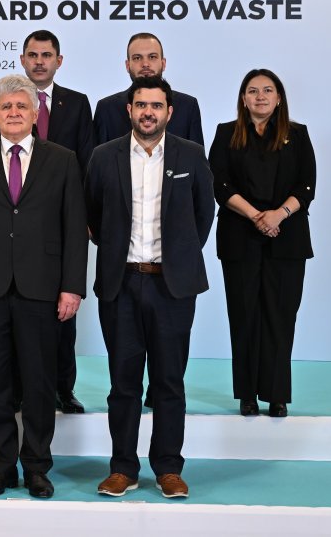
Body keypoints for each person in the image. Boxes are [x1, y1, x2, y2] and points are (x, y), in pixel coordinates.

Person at [0, 74, 88, 499]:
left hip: (42, 290)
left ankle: (38, 468)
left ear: (35, 113)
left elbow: (73, 230)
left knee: (41, 383)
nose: (13, 113)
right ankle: (2, 467)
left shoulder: (62, 160)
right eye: (6, 107)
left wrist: (72, 287)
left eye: (21, 107)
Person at [86, 76, 214, 500]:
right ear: (129, 109)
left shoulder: (191, 155)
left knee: (169, 382)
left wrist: (175, 256)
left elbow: (202, 216)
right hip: (121, 283)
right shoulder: (104, 157)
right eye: (141, 104)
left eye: (156, 106)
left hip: (172, 287)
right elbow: (94, 216)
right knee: (123, 383)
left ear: (169, 112)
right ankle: (122, 467)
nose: (148, 112)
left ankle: (169, 468)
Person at [209, 68, 315, 419]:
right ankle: (247, 395)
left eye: (268, 90)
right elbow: (219, 185)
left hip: (287, 240)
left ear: (279, 97)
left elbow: (307, 186)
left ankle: (277, 395)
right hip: (240, 239)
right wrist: (257, 215)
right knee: (244, 317)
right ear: (243, 98)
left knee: (281, 317)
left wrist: (278, 215)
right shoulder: (227, 134)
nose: (260, 96)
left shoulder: (297, 136)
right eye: (252, 91)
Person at [19, 29, 95, 414]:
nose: (39, 61)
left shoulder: (77, 104)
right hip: (18, 225)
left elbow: (87, 162)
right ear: (22, 60)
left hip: (64, 223)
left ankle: (64, 389)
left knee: (64, 311)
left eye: (46, 55)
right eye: (32, 54)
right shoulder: (7, 103)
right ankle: (21, 390)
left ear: (58, 61)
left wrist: (81, 218)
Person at [93, 32, 204, 147]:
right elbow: (98, 162)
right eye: (137, 58)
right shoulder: (106, 108)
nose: (145, 64)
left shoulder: (188, 106)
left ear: (163, 63)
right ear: (127, 65)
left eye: (152, 57)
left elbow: (196, 161)